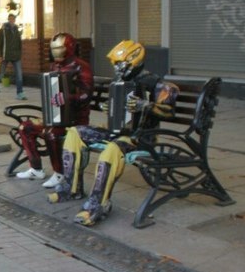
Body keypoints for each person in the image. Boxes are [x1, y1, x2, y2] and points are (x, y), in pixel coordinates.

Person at [55, 40, 180, 226]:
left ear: (133, 61)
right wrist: (110, 107)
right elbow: (117, 109)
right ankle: (71, 187)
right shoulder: (120, 83)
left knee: (112, 150)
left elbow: (170, 112)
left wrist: (146, 105)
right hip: (116, 134)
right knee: (74, 132)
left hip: (140, 138)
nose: (116, 69)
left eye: (119, 64)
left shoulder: (156, 84)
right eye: (114, 64)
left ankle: (97, 205)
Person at [14, 33, 94, 188]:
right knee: (25, 127)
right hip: (56, 117)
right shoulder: (55, 66)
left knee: (51, 134)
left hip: (76, 121)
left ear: (69, 48)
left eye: (60, 48)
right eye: (54, 49)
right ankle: (36, 168)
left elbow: (86, 95)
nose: (56, 52)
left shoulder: (80, 66)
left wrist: (68, 98)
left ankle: (60, 173)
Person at [0, 13, 26, 100]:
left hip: (16, 56)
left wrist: (19, 53)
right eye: (10, 18)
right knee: (1, 74)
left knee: (19, 74)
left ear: (14, 20)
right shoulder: (3, 30)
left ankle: (20, 93)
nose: (12, 20)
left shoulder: (17, 30)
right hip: (5, 56)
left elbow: (19, 43)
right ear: (8, 19)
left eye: (13, 19)